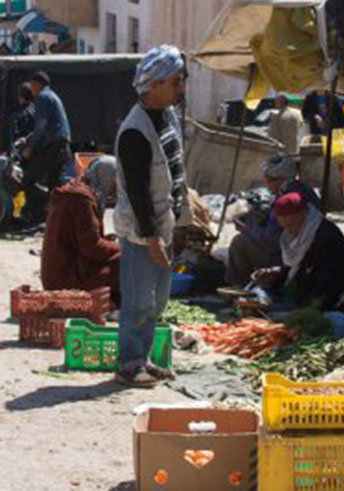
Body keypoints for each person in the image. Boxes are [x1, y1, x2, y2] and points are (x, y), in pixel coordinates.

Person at [114, 45, 187, 388]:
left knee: (157, 301)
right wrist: (152, 237)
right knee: (139, 301)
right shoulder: (134, 132)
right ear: (154, 84)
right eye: (175, 81)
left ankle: (144, 358)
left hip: (164, 224)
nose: (180, 87)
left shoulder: (167, 116)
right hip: (142, 230)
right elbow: (138, 193)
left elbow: (173, 172)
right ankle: (129, 364)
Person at [225, 154, 320, 287]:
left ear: (283, 179)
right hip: (299, 252)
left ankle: (240, 287)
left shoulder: (288, 199)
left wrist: (249, 230)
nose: (266, 183)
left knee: (240, 242)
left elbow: (274, 238)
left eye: (270, 180)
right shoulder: (302, 189)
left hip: (293, 256)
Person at [252, 192, 344, 312]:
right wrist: (275, 272)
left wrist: (304, 311)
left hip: (321, 300)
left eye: (291, 224)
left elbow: (328, 282)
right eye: (284, 226)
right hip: (298, 293)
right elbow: (295, 267)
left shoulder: (326, 238)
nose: (289, 230)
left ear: (303, 214)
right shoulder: (294, 234)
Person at [41, 157, 120, 295]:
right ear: (106, 177)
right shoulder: (81, 200)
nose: (114, 190)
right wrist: (121, 248)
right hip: (66, 280)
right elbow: (92, 248)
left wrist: (108, 241)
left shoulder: (76, 191)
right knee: (125, 261)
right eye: (114, 183)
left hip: (58, 273)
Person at [19, 71, 72, 223]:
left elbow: (41, 126)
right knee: (54, 186)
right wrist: (28, 139)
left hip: (53, 146)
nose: (31, 90)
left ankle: (37, 215)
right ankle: (53, 219)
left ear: (37, 84)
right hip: (62, 145)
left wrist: (30, 147)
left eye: (32, 86)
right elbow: (49, 124)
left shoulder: (42, 97)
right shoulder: (53, 96)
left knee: (28, 179)